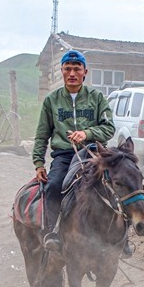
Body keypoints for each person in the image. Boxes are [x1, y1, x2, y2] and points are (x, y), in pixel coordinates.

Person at [31, 50, 115, 253]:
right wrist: (39, 163)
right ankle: (52, 232)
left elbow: (109, 128)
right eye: (67, 69)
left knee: (117, 183)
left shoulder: (97, 98)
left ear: (85, 72)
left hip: (94, 153)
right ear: (61, 71)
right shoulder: (51, 100)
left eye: (77, 69)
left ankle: (122, 236)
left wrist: (86, 133)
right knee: (54, 185)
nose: (72, 73)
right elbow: (42, 134)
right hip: (64, 155)